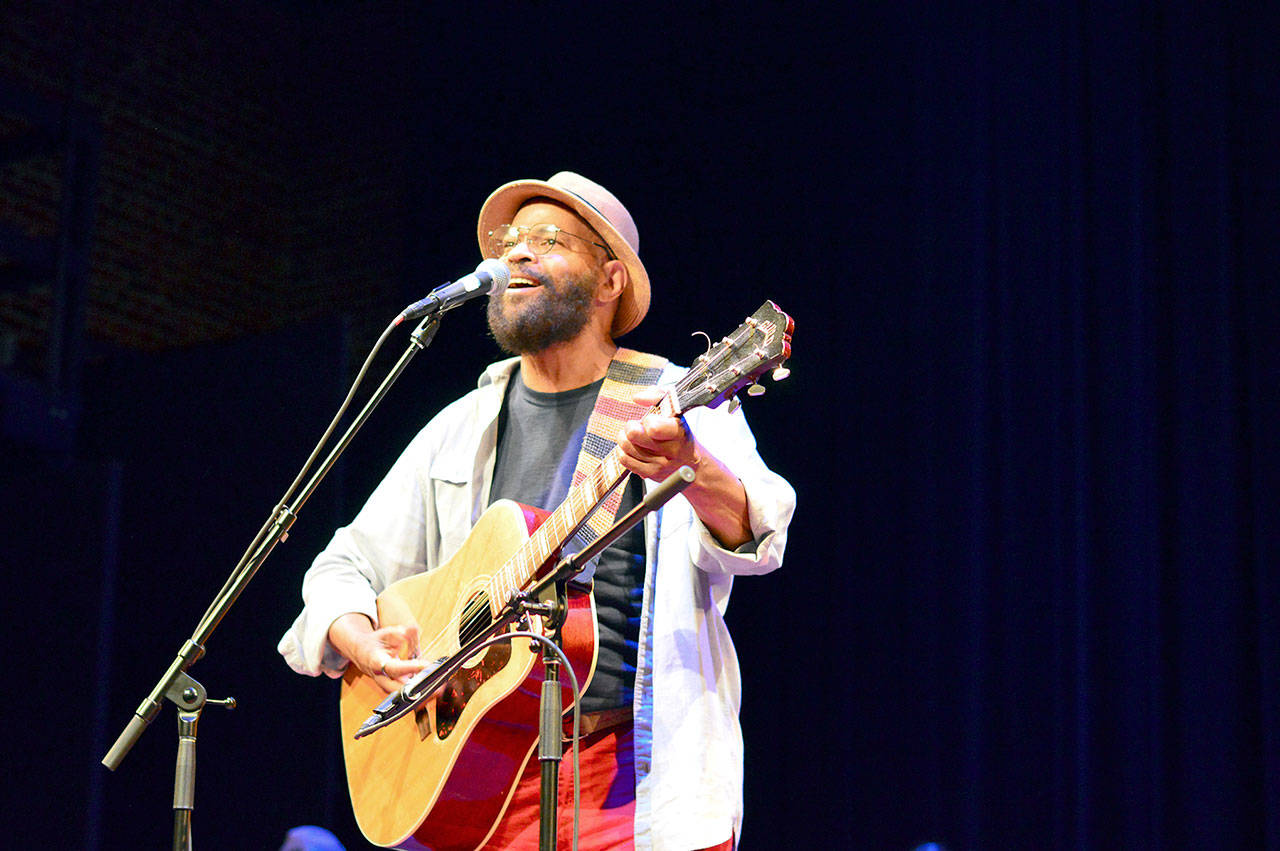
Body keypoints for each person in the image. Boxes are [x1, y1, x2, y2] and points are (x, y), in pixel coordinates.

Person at [279, 172, 795, 850]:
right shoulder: (462, 425)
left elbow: (757, 531)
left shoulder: (674, 398)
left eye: (549, 240)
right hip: (476, 780)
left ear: (610, 281)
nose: (516, 255)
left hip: (630, 784)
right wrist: (358, 637)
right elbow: (342, 565)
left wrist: (689, 467)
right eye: (510, 241)